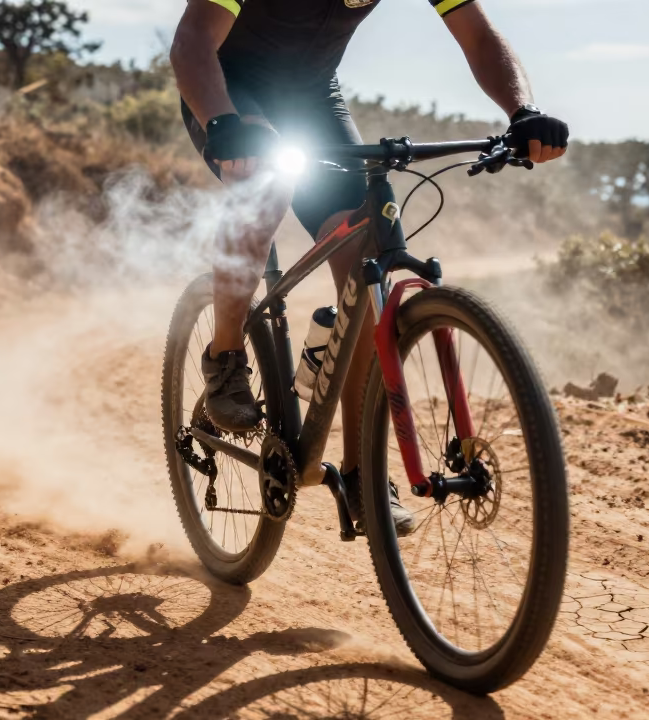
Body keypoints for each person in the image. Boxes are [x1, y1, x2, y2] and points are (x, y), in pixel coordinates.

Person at [170, 0, 569, 535]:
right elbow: (193, 39)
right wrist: (222, 122)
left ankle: (364, 474)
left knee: (363, 260)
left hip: (311, 95)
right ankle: (224, 356)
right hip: (227, 85)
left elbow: (476, 35)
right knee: (266, 186)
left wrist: (522, 111)